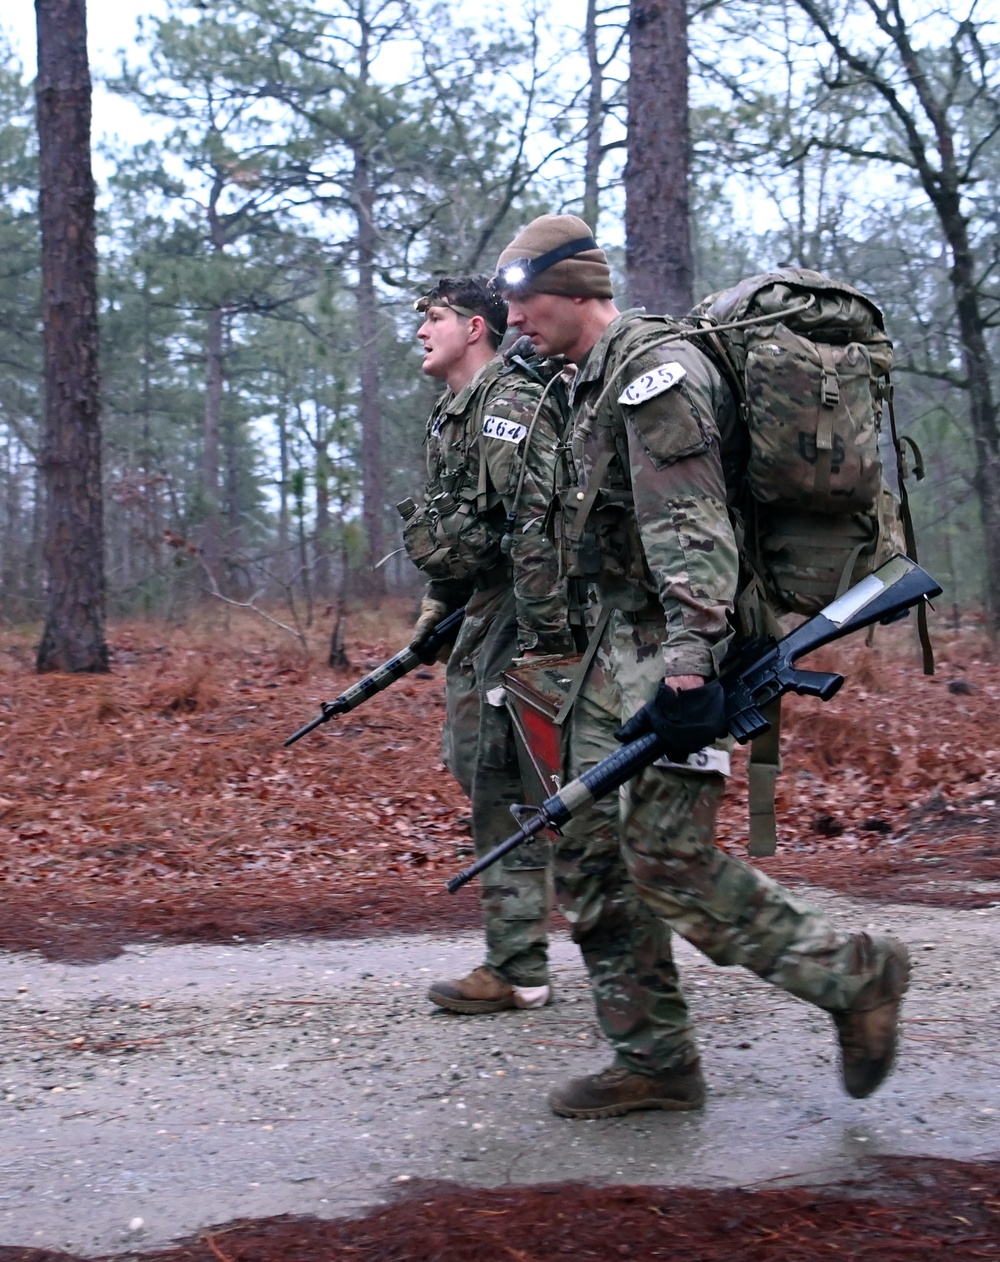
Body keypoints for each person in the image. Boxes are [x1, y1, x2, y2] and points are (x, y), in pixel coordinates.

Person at [491, 215, 911, 1118]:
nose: (514, 319)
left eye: (525, 301)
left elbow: (690, 529)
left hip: (684, 653)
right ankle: (655, 1059)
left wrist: (690, 667)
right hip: (613, 656)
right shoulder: (581, 382)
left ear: (575, 291)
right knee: (593, 859)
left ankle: (855, 978)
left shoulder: (653, 374)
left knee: (669, 858)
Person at [401, 276, 576, 1014]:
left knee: (506, 778)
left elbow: (536, 535)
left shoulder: (507, 406)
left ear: (476, 327)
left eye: (433, 319)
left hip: (526, 619)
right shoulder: (451, 415)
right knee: (484, 767)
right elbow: (459, 534)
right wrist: (436, 615)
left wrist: (541, 649)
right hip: (488, 613)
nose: (419, 332)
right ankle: (529, 956)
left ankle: (524, 962)